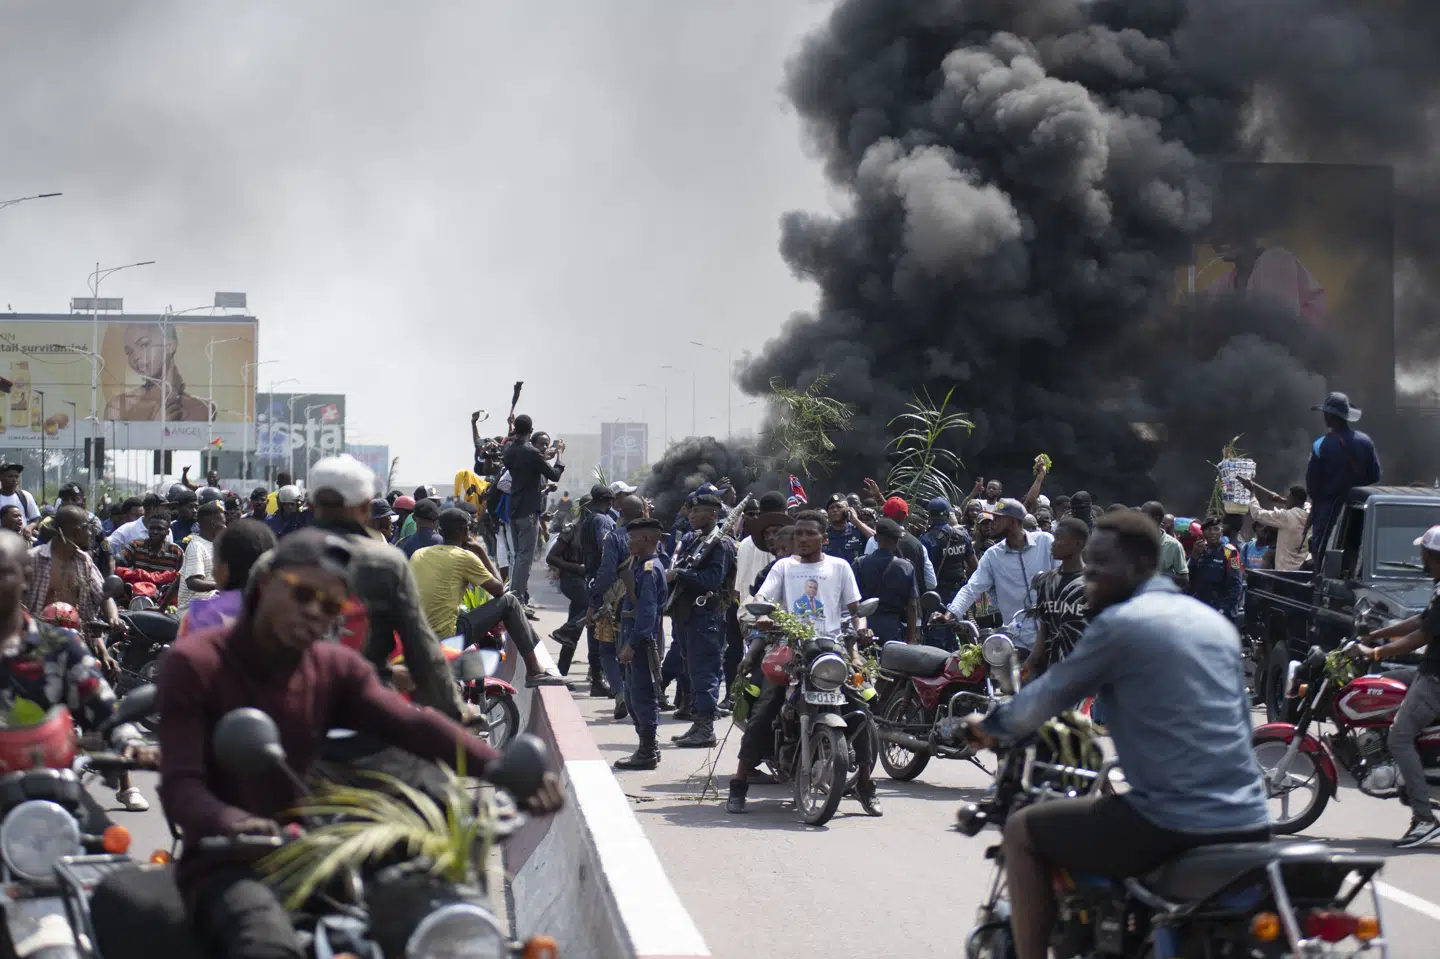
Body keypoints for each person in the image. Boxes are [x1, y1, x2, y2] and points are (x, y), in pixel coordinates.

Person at [156, 530, 564, 959]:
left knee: (443, 926)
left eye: (330, 605)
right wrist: (232, 822)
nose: (315, 612)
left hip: (324, 846)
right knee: (265, 947)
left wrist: (500, 769)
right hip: (234, 861)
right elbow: (181, 786)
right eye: (303, 594)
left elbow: (411, 726)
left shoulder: (331, 667)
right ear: (264, 584)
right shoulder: (198, 663)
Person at [960, 511, 1269, 959]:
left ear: (1142, 566)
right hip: (1251, 821)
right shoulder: (1213, 624)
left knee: (1023, 830)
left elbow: (1049, 695)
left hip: (1172, 821)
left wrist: (985, 730)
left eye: (1101, 563)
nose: (1089, 574)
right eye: (1088, 562)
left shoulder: (1122, 624)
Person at [729, 509, 880, 815]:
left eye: (810, 533)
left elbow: (856, 610)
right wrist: (765, 617)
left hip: (831, 650)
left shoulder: (840, 567)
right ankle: (740, 784)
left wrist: (862, 634)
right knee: (764, 709)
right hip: (790, 649)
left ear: (824, 538)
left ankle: (865, 784)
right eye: (798, 534)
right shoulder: (783, 567)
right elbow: (764, 600)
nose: (803, 539)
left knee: (861, 710)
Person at [3, 530, 154, 816]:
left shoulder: (61, 648)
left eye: (3, 573)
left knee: (110, 853)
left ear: (25, 578)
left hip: (49, 795)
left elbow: (105, 712)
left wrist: (135, 747)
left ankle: (127, 788)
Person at [303, 455, 464, 720]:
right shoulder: (386, 563)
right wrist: (457, 712)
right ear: (366, 508)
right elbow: (422, 649)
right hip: (369, 714)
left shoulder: (274, 562)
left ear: (310, 504)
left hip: (298, 715)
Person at [1352, 524, 1440, 847]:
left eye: (1424, 554)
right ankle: (1408, 781)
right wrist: (1374, 635)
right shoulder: (1439, 586)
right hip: (1428, 669)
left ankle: (1424, 819)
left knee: (1400, 735)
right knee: (1383, 684)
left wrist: (1375, 651)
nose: (1421, 559)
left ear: (1433, 556)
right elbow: (1420, 621)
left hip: (1437, 678)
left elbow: (1422, 636)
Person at [412, 507, 567, 687]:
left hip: (419, 636)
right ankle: (534, 671)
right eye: (469, 528)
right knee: (510, 603)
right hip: (447, 638)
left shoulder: (419, 554)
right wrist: (481, 552)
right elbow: (499, 590)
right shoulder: (464, 557)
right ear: (464, 531)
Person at [666, 493, 735, 748]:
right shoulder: (696, 541)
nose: (692, 515)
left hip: (706, 617)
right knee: (693, 671)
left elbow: (711, 580)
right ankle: (697, 723)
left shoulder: (721, 545)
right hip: (688, 616)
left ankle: (706, 728)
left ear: (714, 514)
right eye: (691, 511)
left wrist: (679, 574)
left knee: (704, 672)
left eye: (698, 512)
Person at [946, 499, 1056, 651]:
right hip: (1017, 642)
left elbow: (1064, 580)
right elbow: (972, 588)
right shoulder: (993, 555)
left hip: (1052, 637)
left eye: (997, 518)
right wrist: (950, 614)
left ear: (1012, 521)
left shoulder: (1045, 541)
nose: (991, 522)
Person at [613, 518, 669, 770]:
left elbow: (647, 614)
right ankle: (648, 748)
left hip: (642, 642)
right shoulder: (642, 565)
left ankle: (647, 751)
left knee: (642, 696)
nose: (628, 542)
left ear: (646, 539)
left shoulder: (649, 570)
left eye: (632, 538)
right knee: (635, 694)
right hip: (633, 635)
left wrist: (632, 645)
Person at [592, 493, 653, 717]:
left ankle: (620, 693)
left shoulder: (615, 537)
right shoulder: (652, 537)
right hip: (645, 597)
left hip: (616, 600)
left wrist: (594, 601)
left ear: (622, 513)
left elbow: (606, 571)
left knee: (607, 649)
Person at [1305, 391, 1380, 553]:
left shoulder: (1321, 445)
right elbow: (1375, 476)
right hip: (1359, 512)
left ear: (1330, 416)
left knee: (1323, 557)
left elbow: (1312, 486)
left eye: (1325, 413)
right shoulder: (1365, 442)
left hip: (1327, 514)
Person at [502, 414, 565, 607]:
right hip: (528, 511)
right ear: (530, 431)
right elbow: (554, 474)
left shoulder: (509, 451)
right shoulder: (531, 452)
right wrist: (560, 456)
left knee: (517, 556)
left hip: (513, 510)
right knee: (524, 557)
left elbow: (529, 463)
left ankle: (515, 595)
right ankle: (517, 598)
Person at [180, 519, 276, 637]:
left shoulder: (198, 617)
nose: (213, 572)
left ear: (225, 569)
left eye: (215, 563)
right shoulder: (286, 616)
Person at [1022, 517, 1090, 680]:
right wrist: (1030, 663)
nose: (1053, 542)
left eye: (1059, 538)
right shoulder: (1046, 581)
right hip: (1051, 674)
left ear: (1078, 544)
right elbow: (1044, 628)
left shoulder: (1094, 583)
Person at [103, 322, 214, 422]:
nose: (135, 357)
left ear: (170, 345)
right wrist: (155, 429)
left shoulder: (205, 409)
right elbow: (110, 444)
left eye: (144, 345)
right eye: (129, 352)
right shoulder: (119, 407)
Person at [578, 485, 617, 697]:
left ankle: (598, 678)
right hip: (600, 579)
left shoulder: (588, 518)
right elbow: (606, 548)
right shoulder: (601, 520)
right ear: (609, 502)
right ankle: (600, 679)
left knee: (596, 630)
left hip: (592, 577)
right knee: (601, 632)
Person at [855, 518, 919, 644]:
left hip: (864, 628)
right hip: (893, 628)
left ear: (876, 538)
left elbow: (852, 601)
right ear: (896, 541)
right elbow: (912, 605)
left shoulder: (859, 563)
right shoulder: (906, 567)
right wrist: (910, 638)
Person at [861, 497, 937, 596]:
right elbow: (931, 583)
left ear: (884, 516)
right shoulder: (919, 545)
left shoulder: (875, 541)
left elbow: (865, 575)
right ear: (905, 517)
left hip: (881, 605)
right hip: (911, 607)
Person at [117, 512, 186, 608]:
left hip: (165, 602)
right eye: (152, 528)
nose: (155, 532)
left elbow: (184, 578)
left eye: (160, 529)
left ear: (167, 532)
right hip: (135, 597)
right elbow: (117, 563)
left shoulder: (176, 552)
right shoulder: (136, 545)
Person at [1241, 479, 1310, 572]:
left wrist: (1252, 494)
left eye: (1288, 497)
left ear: (1293, 499)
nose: (1286, 499)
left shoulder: (1286, 516)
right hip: (1301, 570)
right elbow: (1305, 504)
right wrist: (1282, 500)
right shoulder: (1308, 514)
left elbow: (1257, 514)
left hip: (1285, 571)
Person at [921, 496, 978, 602]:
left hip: (937, 595)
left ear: (930, 516)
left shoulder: (926, 539)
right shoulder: (963, 535)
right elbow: (974, 566)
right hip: (960, 594)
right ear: (948, 514)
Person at [1188, 516, 1242, 619]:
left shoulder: (1230, 552)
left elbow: (1236, 586)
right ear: (1203, 533)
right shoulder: (1199, 550)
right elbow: (1190, 579)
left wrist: (1222, 609)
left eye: (1216, 529)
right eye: (1209, 530)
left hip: (1221, 611)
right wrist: (1194, 558)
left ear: (1221, 532)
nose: (1212, 533)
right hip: (1201, 608)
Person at [177, 501, 227, 612]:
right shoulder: (197, 547)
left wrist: (162, 607)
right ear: (214, 524)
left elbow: (179, 579)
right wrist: (220, 585)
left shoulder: (214, 545)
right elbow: (192, 582)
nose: (226, 527)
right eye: (224, 523)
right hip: (192, 611)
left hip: (208, 606)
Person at [1140, 501, 1188, 588]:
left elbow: (1184, 579)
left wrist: (1158, 576)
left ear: (1156, 519)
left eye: (1144, 517)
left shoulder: (1174, 545)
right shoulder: (1136, 542)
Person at [823, 493, 872, 563]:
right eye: (831, 508)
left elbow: (876, 541)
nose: (835, 510)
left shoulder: (858, 531)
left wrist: (856, 521)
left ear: (848, 510)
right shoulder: (823, 535)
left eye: (839, 507)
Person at [0, 462, 40, 528]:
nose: (14, 479)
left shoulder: (25, 496)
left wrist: (29, 528)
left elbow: (36, 518)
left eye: (16, 477)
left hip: (21, 537)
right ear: (1, 477)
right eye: (10, 476)